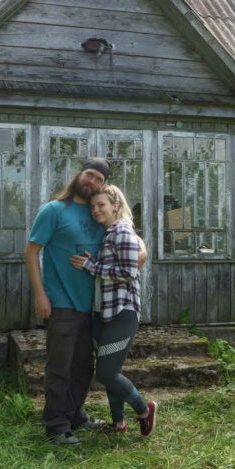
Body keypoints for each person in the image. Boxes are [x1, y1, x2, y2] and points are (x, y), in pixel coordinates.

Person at [25, 158, 112, 445]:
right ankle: (56, 423)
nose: (93, 182)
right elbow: (31, 251)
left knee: (84, 366)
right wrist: (40, 294)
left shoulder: (97, 212)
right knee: (60, 365)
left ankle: (75, 414)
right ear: (79, 174)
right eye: (90, 175)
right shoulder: (54, 210)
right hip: (61, 300)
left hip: (92, 304)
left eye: (99, 180)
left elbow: (124, 237)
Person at [70, 184, 157, 436]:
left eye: (102, 205)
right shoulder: (108, 233)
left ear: (115, 205)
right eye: (93, 206)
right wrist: (95, 261)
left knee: (106, 372)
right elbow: (113, 267)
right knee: (111, 371)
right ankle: (118, 423)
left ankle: (144, 409)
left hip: (122, 312)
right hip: (104, 312)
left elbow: (129, 273)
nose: (96, 210)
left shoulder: (122, 231)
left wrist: (91, 266)